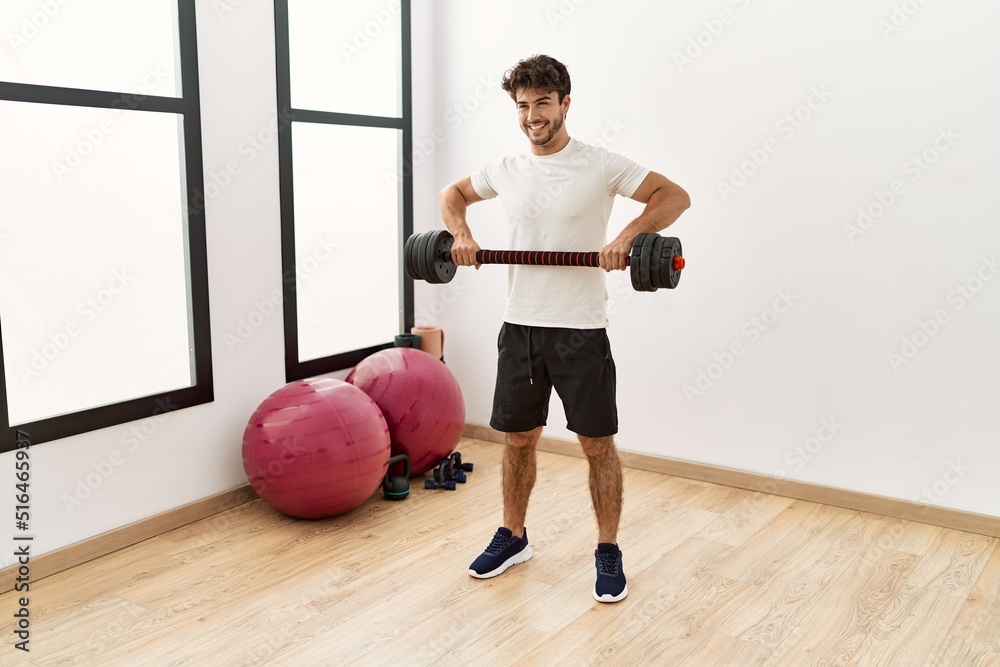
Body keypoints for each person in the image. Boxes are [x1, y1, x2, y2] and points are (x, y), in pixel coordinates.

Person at [437, 54, 690, 603]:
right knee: (518, 439)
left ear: (565, 104)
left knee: (597, 445)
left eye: (543, 104)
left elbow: (674, 196)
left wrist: (629, 235)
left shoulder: (600, 164)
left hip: (580, 330)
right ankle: (513, 535)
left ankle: (607, 548)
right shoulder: (505, 168)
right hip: (520, 327)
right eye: (523, 106)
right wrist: (461, 233)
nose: (532, 116)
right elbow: (450, 196)